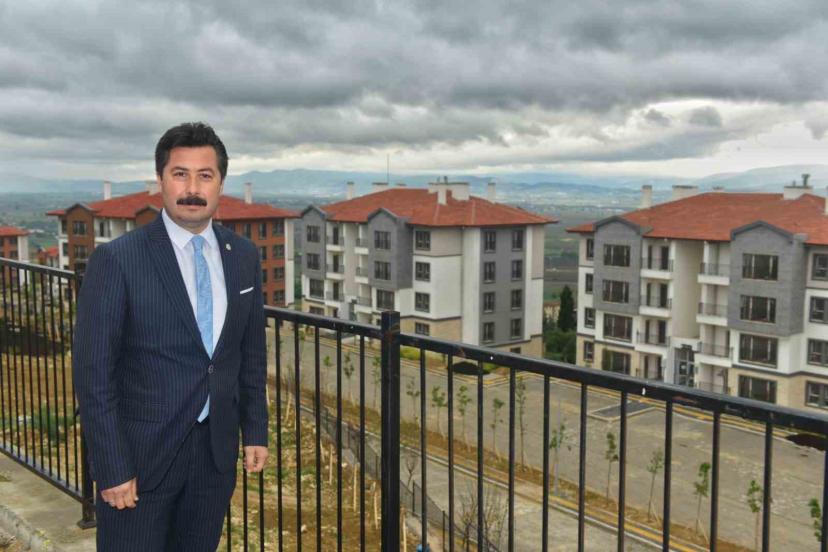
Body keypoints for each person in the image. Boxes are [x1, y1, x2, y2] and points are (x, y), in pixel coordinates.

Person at [73, 122, 269, 550]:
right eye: (180, 174)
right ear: (160, 179)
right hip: (139, 462)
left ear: (220, 184)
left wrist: (255, 429)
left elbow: (250, 353)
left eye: (205, 175)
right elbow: (93, 376)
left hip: (214, 458)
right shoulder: (118, 260)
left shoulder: (243, 257)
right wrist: (112, 466)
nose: (192, 189)